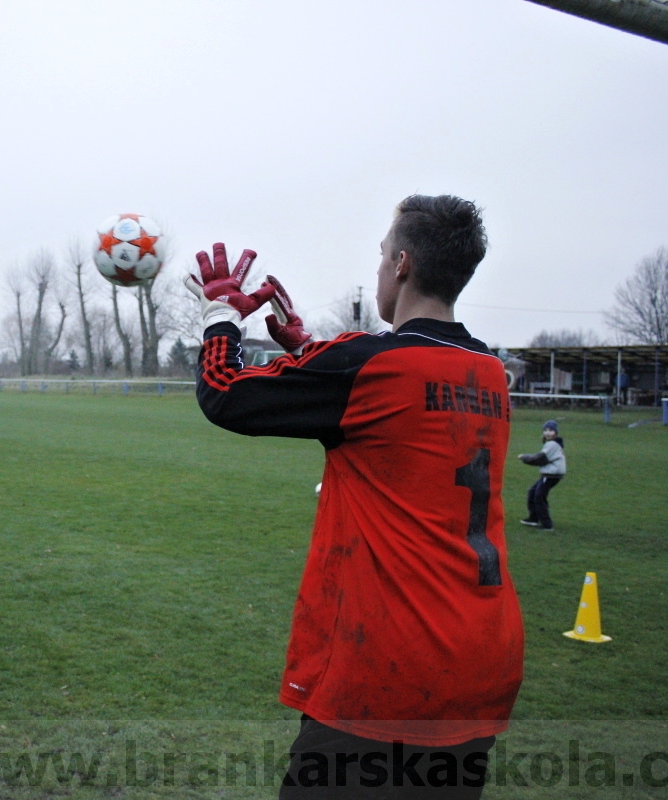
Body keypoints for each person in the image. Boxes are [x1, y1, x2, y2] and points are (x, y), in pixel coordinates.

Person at [187, 195, 524, 799]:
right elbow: (397, 421)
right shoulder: (491, 372)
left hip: (387, 670)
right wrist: (308, 351)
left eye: (381, 255)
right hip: (480, 662)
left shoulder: (369, 365)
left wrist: (220, 318)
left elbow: (224, 393)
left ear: (401, 264)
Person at [518, 419, 565, 531]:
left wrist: (524, 457)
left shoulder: (552, 444)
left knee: (539, 497)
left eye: (551, 430)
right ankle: (533, 518)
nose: (547, 433)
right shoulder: (551, 444)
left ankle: (547, 524)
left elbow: (540, 459)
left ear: (556, 432)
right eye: (545, 430)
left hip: (551, 475)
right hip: (549, 474)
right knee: (532, 492)